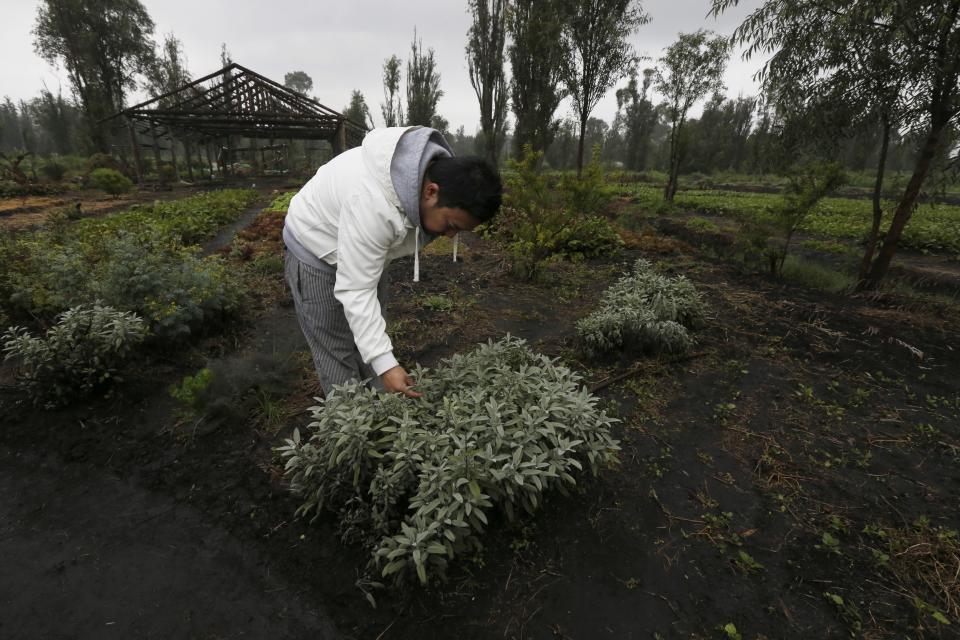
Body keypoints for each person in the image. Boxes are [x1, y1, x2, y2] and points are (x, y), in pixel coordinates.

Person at [282, 125, 502, 398]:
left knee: (371, 335)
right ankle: (352, 428)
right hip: (315, 248)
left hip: (359, 242)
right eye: (450, 224)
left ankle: (380, 409)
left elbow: (363, 284)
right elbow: (356, 290)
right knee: (337, 350)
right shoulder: (375, 204)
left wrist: (383, 362)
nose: (450, 234)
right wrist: (387, 365)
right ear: (431, 191)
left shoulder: (428, 180)